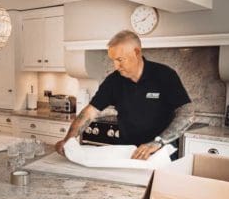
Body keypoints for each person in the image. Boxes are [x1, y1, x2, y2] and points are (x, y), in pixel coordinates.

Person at [55, 30, 194, 160]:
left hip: (161, 153)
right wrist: (69, 139)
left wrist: (157, 142)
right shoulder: (114, 81)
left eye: (120, 60)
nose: (116, 66)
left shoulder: (165, 75)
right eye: (113, 60)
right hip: (128, 153)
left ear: (137, 52)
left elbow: (187, 113)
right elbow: (89, 112)